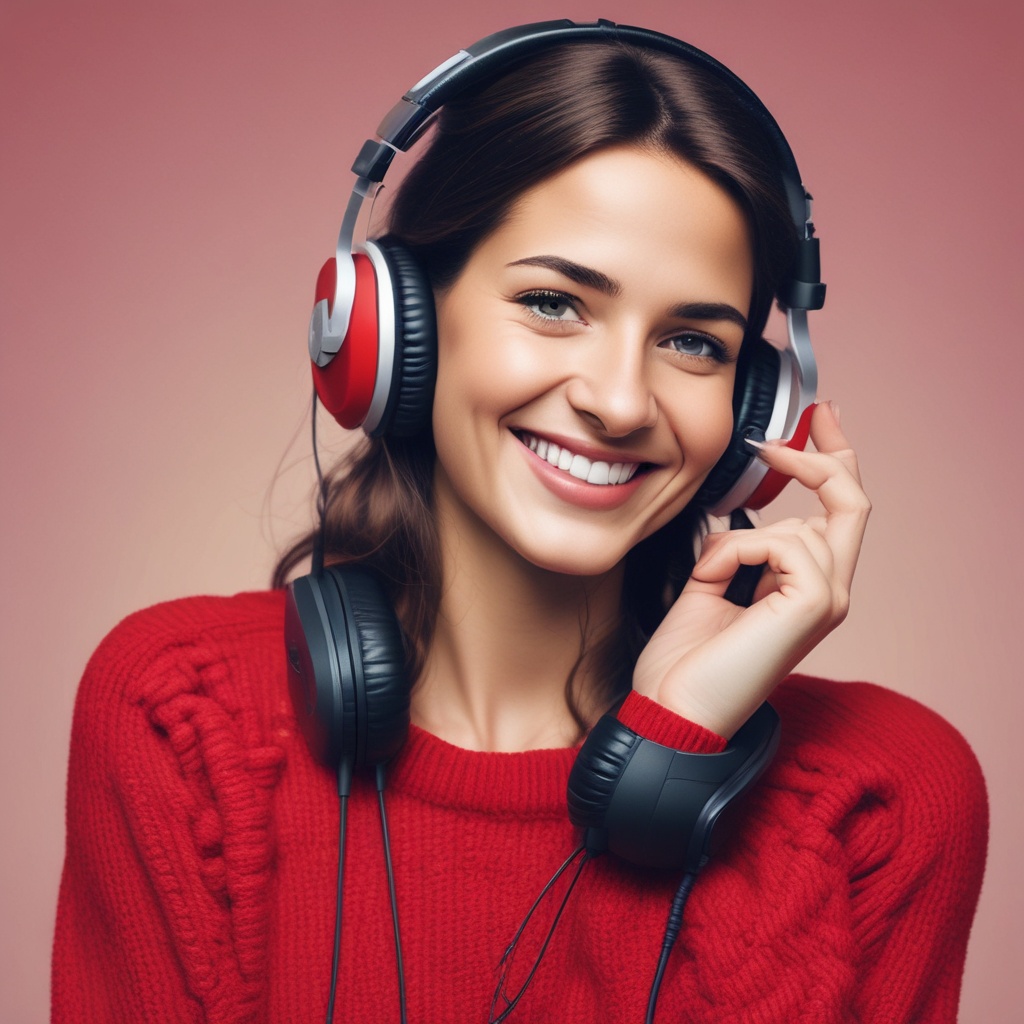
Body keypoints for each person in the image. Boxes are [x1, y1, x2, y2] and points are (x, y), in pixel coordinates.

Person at [52, 21, 987, 1024]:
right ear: (393, 326)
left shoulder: (880, 798)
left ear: (755, 410)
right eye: (552, 302)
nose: (619, 401)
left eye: (692, 342)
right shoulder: (181, 717)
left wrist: (668, 749)